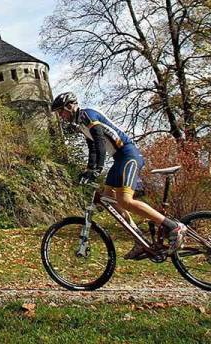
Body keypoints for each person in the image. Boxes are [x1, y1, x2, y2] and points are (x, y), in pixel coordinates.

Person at [51, 92, 187, 258]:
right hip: (119, 159)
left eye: (61, 111)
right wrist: (89, 169)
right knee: (108, 199)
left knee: (125, 200)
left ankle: (173, 226)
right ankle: (139, 239)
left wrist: (98, 168)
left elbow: (100, 142)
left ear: (69, 107)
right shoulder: (81, 124)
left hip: (128, 155)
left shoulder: (87, 115)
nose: (61, 116)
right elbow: (93, 148)